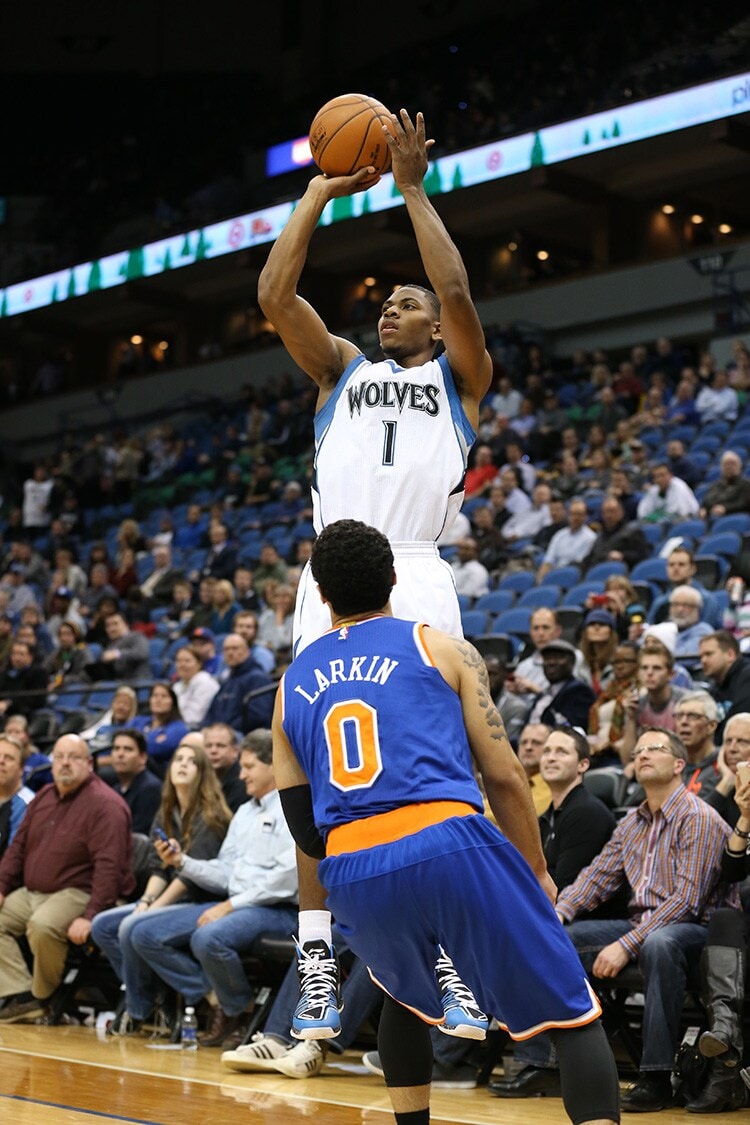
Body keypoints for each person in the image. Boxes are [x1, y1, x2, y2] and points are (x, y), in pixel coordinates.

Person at [257, 108, 494, 1039]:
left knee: (432, 767)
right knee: (316, 770)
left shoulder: (459, 380)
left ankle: (451, 955)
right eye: (387, 302)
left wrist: (410, 190)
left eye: (408, 303)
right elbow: (277, 296)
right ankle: (317, 959)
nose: (392, 307)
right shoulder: (340, 373)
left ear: (436, 328)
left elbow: (459, 287)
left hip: (420, 573)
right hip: (332, 575)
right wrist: (317, 192)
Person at [272, 519, 620, 1125]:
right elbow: (508, 777)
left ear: (321, 596)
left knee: (402, 994)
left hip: (352, 861)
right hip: (446, 838)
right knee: (573, 1008)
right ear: (394, 579)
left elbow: (303, 828)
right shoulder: (443, 647)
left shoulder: (290, 684)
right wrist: (535, 870)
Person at [493, 727, 736, 1111]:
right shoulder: (632, 823)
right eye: (637, 750)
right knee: (553, 939)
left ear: (678, 764)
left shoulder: (699, 817)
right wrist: (555, 914)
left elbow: (687, 901)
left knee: (659, 942)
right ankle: (546, 1063)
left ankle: (655, 1078)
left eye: (653, 749)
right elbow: (595, 879)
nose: (641, 755)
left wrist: (626, 945)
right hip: (644, 925)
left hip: (698, 934)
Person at [130, 729, 298, 1049]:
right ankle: (230, 1004)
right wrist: (182, 862)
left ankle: (237, 1011)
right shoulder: (246, 813)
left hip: (280, 909)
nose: (241, 773)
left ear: (273, 765)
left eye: (249, 767)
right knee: (145, 931)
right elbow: (224, 871)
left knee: (208, 937)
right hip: (241, 903)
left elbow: (286, 878)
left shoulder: (291, 807)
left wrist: (231, 906)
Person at [90, 741, 232, 1035]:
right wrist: (146, 901)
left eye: (190, 761)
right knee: (103, 926)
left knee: (134, 927)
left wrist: (151, 910)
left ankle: (192, 991)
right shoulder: (166, 810)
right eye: (177, 758)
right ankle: (155, 993)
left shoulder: (211, 815)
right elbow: (159, 867)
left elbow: (189, 878)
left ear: (203, 772)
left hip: (204, 900)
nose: (181, 764)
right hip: (173, 897)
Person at [0, 734, 134, 1023]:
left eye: (73, 757)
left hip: (79, 892)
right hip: (33, 892)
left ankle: (42, 997)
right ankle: (22, 995)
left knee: (42, 925)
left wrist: (91, 914)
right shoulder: (44, 796)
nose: (65, 763)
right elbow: (17, 849)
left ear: (89, 763)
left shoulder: (106, 805)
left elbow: (108, 866)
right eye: (59, 756)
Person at [203, 634, 275, 733]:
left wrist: (226, 730)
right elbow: (210, 713)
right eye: (226, 649)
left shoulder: (257, 678)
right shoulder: (227, 681)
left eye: (235, 648)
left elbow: (258, 716)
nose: (230, 653)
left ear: (247, 651)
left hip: (245, 736)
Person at [524, 640, 597, 732]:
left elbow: (570, 730)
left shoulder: (579, 691)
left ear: (572, 662)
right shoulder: (543, 694)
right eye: (547, 658)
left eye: (558, 658)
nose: (551, 663)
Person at [108, 728, 163, 836]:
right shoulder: (116, 789)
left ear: (142, 757)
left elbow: (138, 836)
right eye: (116, 748)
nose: (120, 754)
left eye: (128, 749)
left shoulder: (150, 789)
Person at [131, 682, 190, 777]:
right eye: (155, 696)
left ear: (172, 702)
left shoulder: (179, 728)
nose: (158, 700)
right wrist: (153, 739)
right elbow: (122, 739)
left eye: (164, 696)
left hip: (160, 775)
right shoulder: (138, 721)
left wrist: (134, 743)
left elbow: (159, 748)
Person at [699, 630, 750, 740]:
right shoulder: (714, 687)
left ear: (730, 655)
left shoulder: (747, 677)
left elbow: (738, 721)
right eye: (701, 656)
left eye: (709, 654)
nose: (703, 660)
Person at [535, 498, 596, 584]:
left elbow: (579, 565)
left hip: (572, 578)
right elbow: (548, 561)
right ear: (568, 515)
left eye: (579, 514)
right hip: (553, 575)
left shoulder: (590, 537)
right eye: (573, 514)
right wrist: (540, 581)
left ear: (585, 517)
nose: (575, 518)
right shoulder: (560, 535)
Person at [85, 612, 150, 683]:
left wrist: (116, 654)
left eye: (115, 624)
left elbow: (141, 653)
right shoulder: (109, 646)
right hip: (118, 684)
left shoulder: (137, 636)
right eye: (108, 626)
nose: (112, 628)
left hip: (138, 682)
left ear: (126, 624)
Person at [201, 723, 250, 813]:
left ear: (235, 751)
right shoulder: (199, 777)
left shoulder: (242, 783)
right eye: (208, 746)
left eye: (220, 746)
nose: (213, 751)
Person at [0, 733, 34, 859]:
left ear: (21, 769)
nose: (1, 761)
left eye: (8, 758)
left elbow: (14, 860)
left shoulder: (29, 804)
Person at [172, 644, 220, 728]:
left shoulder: (205, 682)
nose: (182, 665)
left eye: (187, 661)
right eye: (179, 661)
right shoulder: (177, 686)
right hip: (178, 726)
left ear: (199, 664)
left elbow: (195, 717)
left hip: (201, 728)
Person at [698, 450, 750, 520]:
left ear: (739, 467)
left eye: (732, 464)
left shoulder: (746, 484)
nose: (729, 467)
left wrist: (725, 508)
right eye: (726, 464)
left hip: (733, 517)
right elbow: (706, 501)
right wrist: (703, 509)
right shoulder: (715, 485)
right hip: (711, 518)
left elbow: (744, 503)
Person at [516, 722, 553, 815]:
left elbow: (522, 817)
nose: (528, 747)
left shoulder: (553, 785)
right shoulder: (509, 781)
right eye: (524, 742)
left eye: (536, 743)